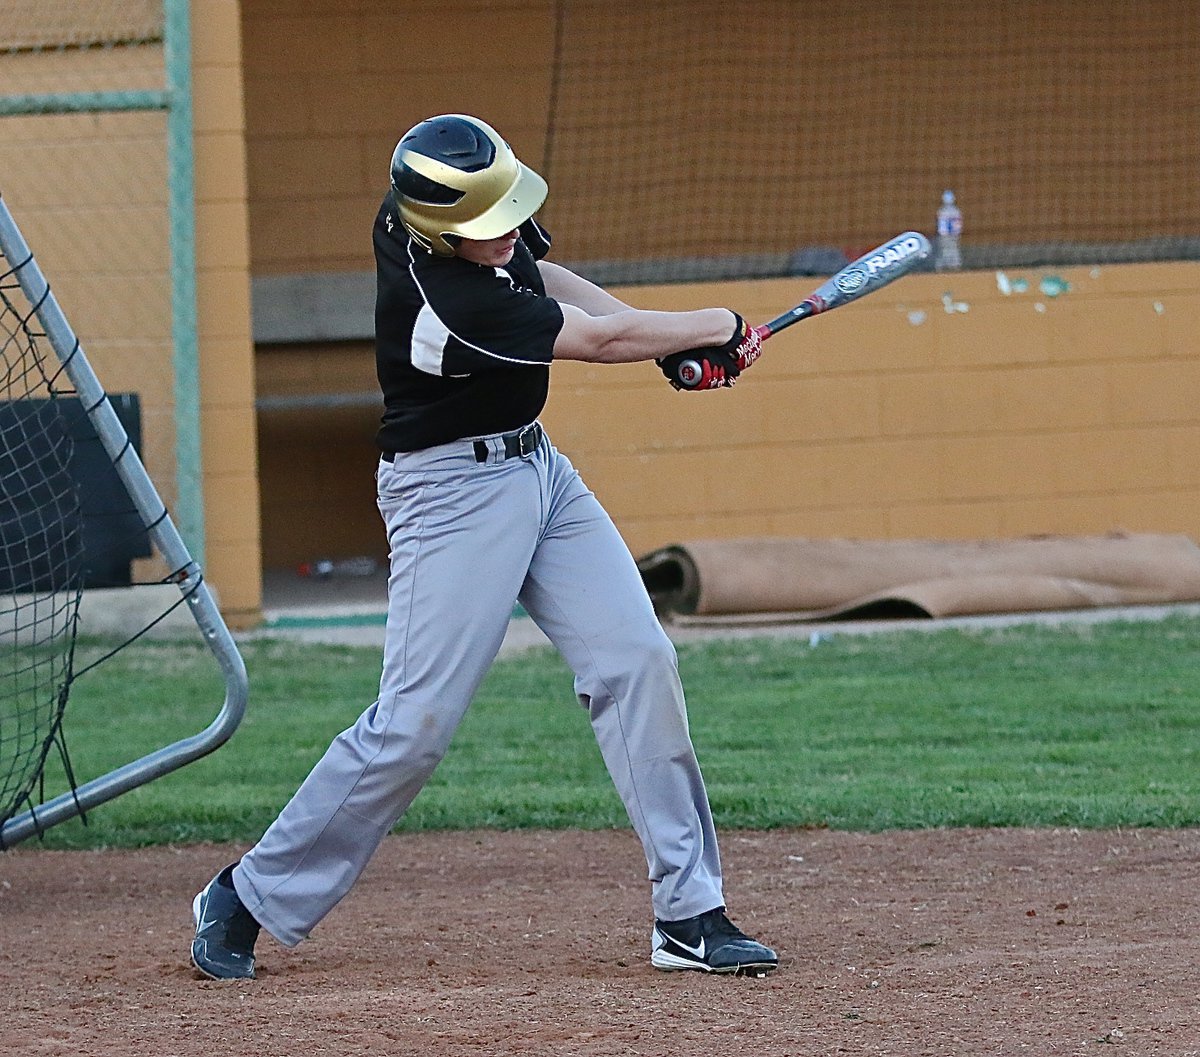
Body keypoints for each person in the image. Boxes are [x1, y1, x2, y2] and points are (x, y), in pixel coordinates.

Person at [190, 114, 776, 980]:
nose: (502, 234)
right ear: (434, 228)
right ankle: (245, 896)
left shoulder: (474, 216)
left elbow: (552, 280)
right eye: (483, 228)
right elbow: (598, 344)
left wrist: (673, 343)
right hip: (448, 496)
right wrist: (715, 322)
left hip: (538, 468)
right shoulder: (439, 298)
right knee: (413, 727)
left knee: (638, 658)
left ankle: (690, 914)